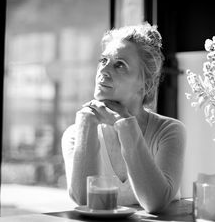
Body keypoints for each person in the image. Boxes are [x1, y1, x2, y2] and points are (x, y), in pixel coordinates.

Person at [61, 22, 187, 213]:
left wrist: (126, 124)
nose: (103, 71)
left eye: (120, 65)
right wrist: (86, 124)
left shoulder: (169, 131)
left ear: (145, 84)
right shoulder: (74, 134)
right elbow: (83, 200)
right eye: (103, 61)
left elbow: (155, 203)